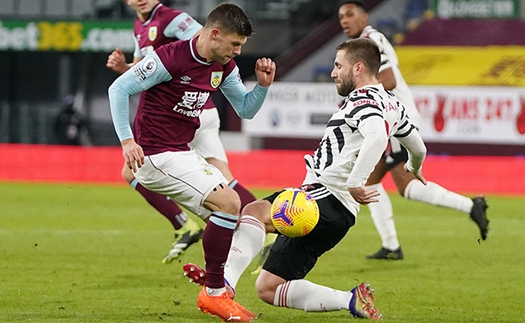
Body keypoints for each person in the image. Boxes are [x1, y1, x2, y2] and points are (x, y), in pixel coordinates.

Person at [184, 38, 427, 320]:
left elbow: (375, 134)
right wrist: (414, 165)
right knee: (269, 288)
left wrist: (354, 181)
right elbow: (418, 145)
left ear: (358, 68)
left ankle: (221, 285)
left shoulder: (363, 99)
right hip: (339, 215)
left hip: (325, 197)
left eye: (339, 66)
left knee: (254, 212)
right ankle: (351, 299)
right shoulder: (392, 103)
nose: (334, 72)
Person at [108, 3, 276, 321]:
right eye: (235, 44)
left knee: (244, 218)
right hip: (155, 155)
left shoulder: (223, 67)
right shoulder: (170, 57)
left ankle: (215, 281)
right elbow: (119, 88)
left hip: (183, 152)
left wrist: (263, 87)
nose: (238, 52)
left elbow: (245, 109)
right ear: (214, 34)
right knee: (229, 202)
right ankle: (215, 292)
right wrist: (127, 141)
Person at [337, 0, 489, 259]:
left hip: (394, 118)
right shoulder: (362, 42)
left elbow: (388, 79)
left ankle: (470, 205)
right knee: (368, 180)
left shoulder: (372, 39)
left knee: (406, 185)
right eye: (341, 16)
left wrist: (355, 97)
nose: (344, 20)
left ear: (364, 17)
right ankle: (391, 247)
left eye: (350, 14)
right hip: (390, 116)